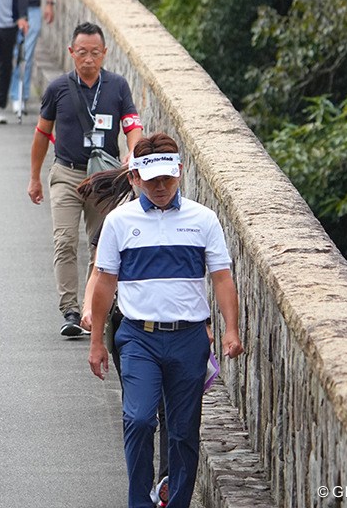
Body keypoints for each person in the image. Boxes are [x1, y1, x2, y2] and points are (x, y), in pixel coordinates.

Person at [88, 133, 243, 508]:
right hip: (138, 337)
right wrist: (96, 341)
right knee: (139, 420)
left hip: (189, 338)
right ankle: (139, 501)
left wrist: (232, 330)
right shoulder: (118, 222)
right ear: (134, 178)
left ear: (179, 174)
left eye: (167, 179)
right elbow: (104, 282)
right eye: (152, 179)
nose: (160, 187)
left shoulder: (202, 220)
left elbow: (222, 277)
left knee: (183, 432)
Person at [28, 21, 144, 336]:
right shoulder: (57, 89)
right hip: (66, 173)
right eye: (82, 53)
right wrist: (35, 177)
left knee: (102, 246)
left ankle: (92, 310)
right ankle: (69, 308)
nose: (88, 59)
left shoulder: (118, 87)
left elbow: (133, 125)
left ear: (105, 53)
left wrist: (133, 153)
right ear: (71, 53)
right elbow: (42, 134)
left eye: (95, 53)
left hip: (104, 179)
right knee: (64, 240)